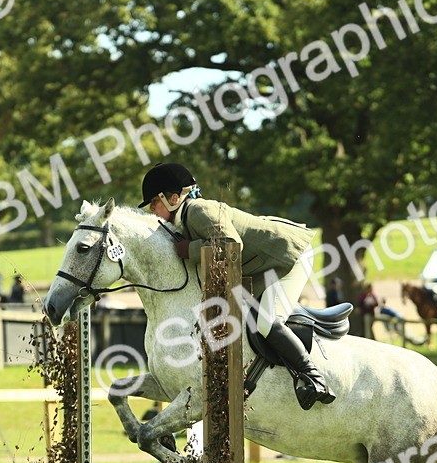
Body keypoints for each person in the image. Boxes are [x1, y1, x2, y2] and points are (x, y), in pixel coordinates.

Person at [139, 162, 334, 409]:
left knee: (266, 320)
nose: (152, 211)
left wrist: (188, 249)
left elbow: (231, 245)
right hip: (263, 266)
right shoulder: (184, 220)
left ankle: (314, 378)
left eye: (154, 203)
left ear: (173, 198)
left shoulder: (198, 210)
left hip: (290, 256)